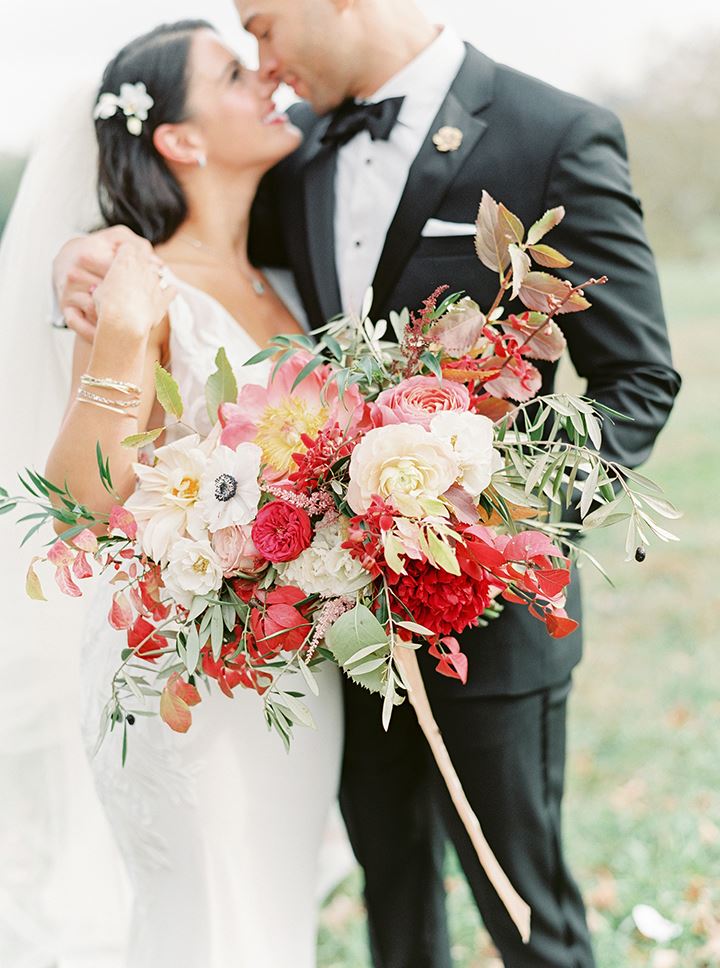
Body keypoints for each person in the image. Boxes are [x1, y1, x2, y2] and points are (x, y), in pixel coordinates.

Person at [57, 2, 681, 966]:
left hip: (490, 621)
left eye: (263, 26)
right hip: (324, 639)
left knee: (530, 918)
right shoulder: (291, 150)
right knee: (394, 915)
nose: (264, 64)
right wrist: (79, 255)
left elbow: (638, 379)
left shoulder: (550, 134)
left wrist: (498, 525)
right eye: (241, 53)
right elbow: (174, 222)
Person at [47, 20, 344, 968]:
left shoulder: (288, 278)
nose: (265, 77)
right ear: (178, 139)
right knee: (211, 932)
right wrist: (126, 342)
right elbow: (80, 502)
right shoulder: (131, 284)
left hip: (292, 674)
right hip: (186, 674)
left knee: (272, 924)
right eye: (231, 72)